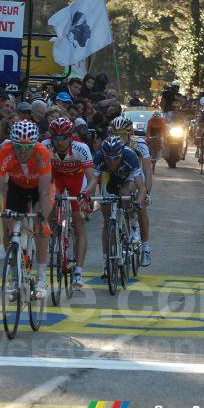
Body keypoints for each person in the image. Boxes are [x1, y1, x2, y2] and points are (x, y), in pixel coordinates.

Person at [0, 120, 52, 299]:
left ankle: (41, 277)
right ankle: (14, 275)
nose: (22, 152)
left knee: (40, 226)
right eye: (18, 147)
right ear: (12, 144)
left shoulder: (42, 152)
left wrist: (43, 219)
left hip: (39, 189)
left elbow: (44, 192)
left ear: (34, 144)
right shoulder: (6, 152)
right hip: (17, 187)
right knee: (8, 227)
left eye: (27, 147)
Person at [41, 118, 95, 290]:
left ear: (71, 137)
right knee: (48, 207)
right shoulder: (45, 146)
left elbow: (92, 178)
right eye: (55, 138)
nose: (59, 142)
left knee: (78, 221)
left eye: (63, 137)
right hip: (56, 178)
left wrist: (86, 194)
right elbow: (40, 176)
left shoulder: (81, 148)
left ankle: (78, 271)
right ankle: (53, 236)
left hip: (76, 179)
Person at [84, 136, 147, 279]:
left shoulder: (130, 156)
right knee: (107, 220)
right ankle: (106, 263)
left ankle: (134, 224)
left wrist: (138, 203)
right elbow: (93, 181)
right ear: (104, 155)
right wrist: (86, 194)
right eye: (109, 158)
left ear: (121, 154)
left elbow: (142, 188)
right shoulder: (99, 157)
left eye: (115, 158)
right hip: (109, 178)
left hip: (128, 178)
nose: (112, 161)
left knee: (125, 193)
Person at [110, 116, 154, 266]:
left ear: (129, 134)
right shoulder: (109, 144)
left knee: (140, 207)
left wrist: (147, 193)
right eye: (115, 134)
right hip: (117, 175)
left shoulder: (139, 144)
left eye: (122, 134)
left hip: (135, 175)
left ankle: (145, 247)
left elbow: (148, 171)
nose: (118, 137)